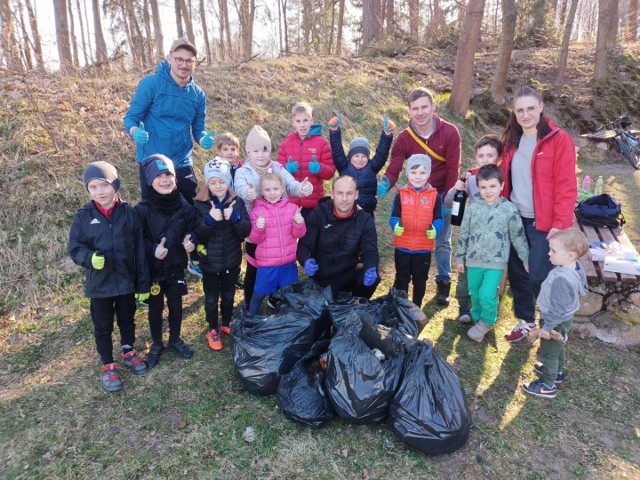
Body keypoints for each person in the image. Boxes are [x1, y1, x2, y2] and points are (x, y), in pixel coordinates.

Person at [500, 86, 577, 343]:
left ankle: (551, 327)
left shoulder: (559, 140)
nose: (525, 114)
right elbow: (502, 175)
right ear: (514, 111)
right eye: (520, 110)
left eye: (531, 108)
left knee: (539, 276)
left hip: (544, 223)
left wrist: (561, 224)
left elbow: (567, 186)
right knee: (518, 274)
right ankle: (525, 321)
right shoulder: (511, 140)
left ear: (541, 106)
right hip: (516, 218)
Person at [69, 161, 150, 392]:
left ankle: (128, 350)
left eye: (104, 185)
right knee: (103, 326)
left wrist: (142, 283)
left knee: (127, 319)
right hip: (100, 286)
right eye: (93, 187)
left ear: (115, 185)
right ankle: (107, 364)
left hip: (126, 281)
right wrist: (89, 259)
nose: (99, 192)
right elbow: (76, 248)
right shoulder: (84, 217)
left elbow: (140, 251)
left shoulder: (130, 213)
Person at [378, 87, 461, 305]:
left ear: (434, 107)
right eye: (415, 108)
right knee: (411, 232)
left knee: (442, 240)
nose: (420, 112)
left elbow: (454, 167)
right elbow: (395, 163)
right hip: (414, 195)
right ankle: (402, 279)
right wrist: (387, 181)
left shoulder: (450, 132)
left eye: (424, 107)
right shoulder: (405, 138)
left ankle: (443, 281)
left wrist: (448, 197)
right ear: (409, 111)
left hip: (441, 193)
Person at [123, 37, 215, 204]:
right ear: (169, 58)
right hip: (153, 160)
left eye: (189, 61)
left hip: (182, 161)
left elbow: (198, 128)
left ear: (194, 63)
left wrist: (203, 139)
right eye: (179, 59)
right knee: (153, 211)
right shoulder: (150, 84)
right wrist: (135, 131)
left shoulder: (197, 94)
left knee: (187, 206)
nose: (184, 64)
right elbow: (131, 117)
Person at [234, 125, 313, 308]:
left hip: (280, 226)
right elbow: (239, 188)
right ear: (248, 152)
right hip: (255, 226)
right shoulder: (243, 172)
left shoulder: (277, 167)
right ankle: (249, 301)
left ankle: (275, 298)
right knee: (255, 267)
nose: (261, 155)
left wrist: (302, 188)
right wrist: (248, 192)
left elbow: (291, 185)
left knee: (279, 266)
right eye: (256, 150)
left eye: (265, 149)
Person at [135, 154, 199, 366]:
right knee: (155, 308)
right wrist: (153, 249)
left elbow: (191, 230)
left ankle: (175, 338)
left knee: (176, 304)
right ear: (149, 180)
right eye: (159, 175)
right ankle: (156, 342)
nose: (164, 180)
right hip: (153, 270)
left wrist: (191, 240)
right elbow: (135, 240)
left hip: (175, 266)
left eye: (168, 174)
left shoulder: (184, 206)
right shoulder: (141, 210)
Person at [456, 165, 529, 343]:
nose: (488, 191)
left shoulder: (509, 210)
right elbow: (464, 233)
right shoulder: (473, 209)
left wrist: (525, 259)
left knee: (487, 294)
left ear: (501, 185)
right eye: (483, 187)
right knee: (474, 292)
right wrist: (460, 257)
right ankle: (478, 317)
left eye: (492, 186)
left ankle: (487, 322)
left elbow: (518, 237)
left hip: (495, 263)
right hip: (473, 261)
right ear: (478, 187)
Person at [523, 229, 588, 399]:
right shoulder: (576, 267)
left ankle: (547, 385)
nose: (549, 253)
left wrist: (547, 327)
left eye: (553, 251)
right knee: (558, 347)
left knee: (549, 352)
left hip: (554, 320)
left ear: (570, 255)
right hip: (566, 319)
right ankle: (557, 372)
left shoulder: (561, 279)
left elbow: (557, 308)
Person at [444, 134, 503, 322]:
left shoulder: (503, 179)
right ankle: (463, 307)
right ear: (476, 157)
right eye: (481, 156)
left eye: (490, 155)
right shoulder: (470, 179)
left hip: (494, 239)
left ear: (498, 158)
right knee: (465, 273)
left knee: (490, 274)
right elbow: (447, 202)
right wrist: (455, 189)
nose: (485, 160)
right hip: (471, 237)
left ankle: (486, 308)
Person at [194, 158, 250, 351]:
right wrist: (210, 220)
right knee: (211, 297)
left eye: (221, 181)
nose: (217, 186)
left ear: (229, 182)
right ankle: (212, 328)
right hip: (210, 263)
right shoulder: (200, 205)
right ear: (207, 183)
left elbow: (246, 231)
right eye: (213, 182)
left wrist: (234, 218)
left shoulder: (237, 202)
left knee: (228, 294)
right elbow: (197, 236)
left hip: (232, 260)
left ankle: (227, 322)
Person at [297, 175, 380, 300]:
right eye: (340, 193)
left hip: (347, 272)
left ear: (356, 195)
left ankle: (355, 305)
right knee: (321, 315)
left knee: (373, 277)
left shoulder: (365, 219)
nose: (345, 199)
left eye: (349, 193)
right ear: (332, 194)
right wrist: (306, 261)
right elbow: (304, 245)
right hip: (321, 274)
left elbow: (370, 250)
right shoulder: (318, 214)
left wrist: (371, 267)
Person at [248, 172, 307, 314]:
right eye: (267, 190)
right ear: (261, 192)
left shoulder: (292, 209)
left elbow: (299, 234)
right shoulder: (257, 212)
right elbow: (255, 239)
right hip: (267, 265)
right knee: (258, 295)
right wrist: (259, 227)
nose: (272, 193)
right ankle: (251, 320)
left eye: (275, 189)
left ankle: (289, 321)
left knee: (290, 295)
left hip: (288, 263)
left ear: (282, 189)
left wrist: (299, 223)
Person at [389, 154, 443, 308]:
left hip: (423, 248)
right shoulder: (401, 194)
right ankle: (402, 307)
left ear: (428, 174)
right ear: (407, 174)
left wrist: (435, 229)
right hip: (402, 246)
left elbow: (439, 219)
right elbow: (394, 216)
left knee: (420, 280)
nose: (418, 177)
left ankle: (416, 307)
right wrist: (395, 226)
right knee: (402, 279)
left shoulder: (434, 197)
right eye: (413, 172)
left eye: (422, 172)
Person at [277, 102, 336, 218]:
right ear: (293, 122)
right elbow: (277, 172)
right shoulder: (285, 144)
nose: (302, 125)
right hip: (291, 203)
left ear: (311, 121)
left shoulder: (322, 143)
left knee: (311, 236)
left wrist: (319, 168)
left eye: (305, 120)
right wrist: (286, 169)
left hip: (313, 203)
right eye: (298, 121)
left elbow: (330, 172)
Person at [328, 114, 395, 216]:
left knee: (367, 231)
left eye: (364, 156)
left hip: (367, 211)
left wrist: (387, 134)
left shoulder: (372, 167)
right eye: (356, 156)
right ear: (350, 156)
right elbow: (337, 150)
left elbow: (382, 154)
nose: (360, 159)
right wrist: (334, 130)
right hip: (346, 211)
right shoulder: (344, 166)